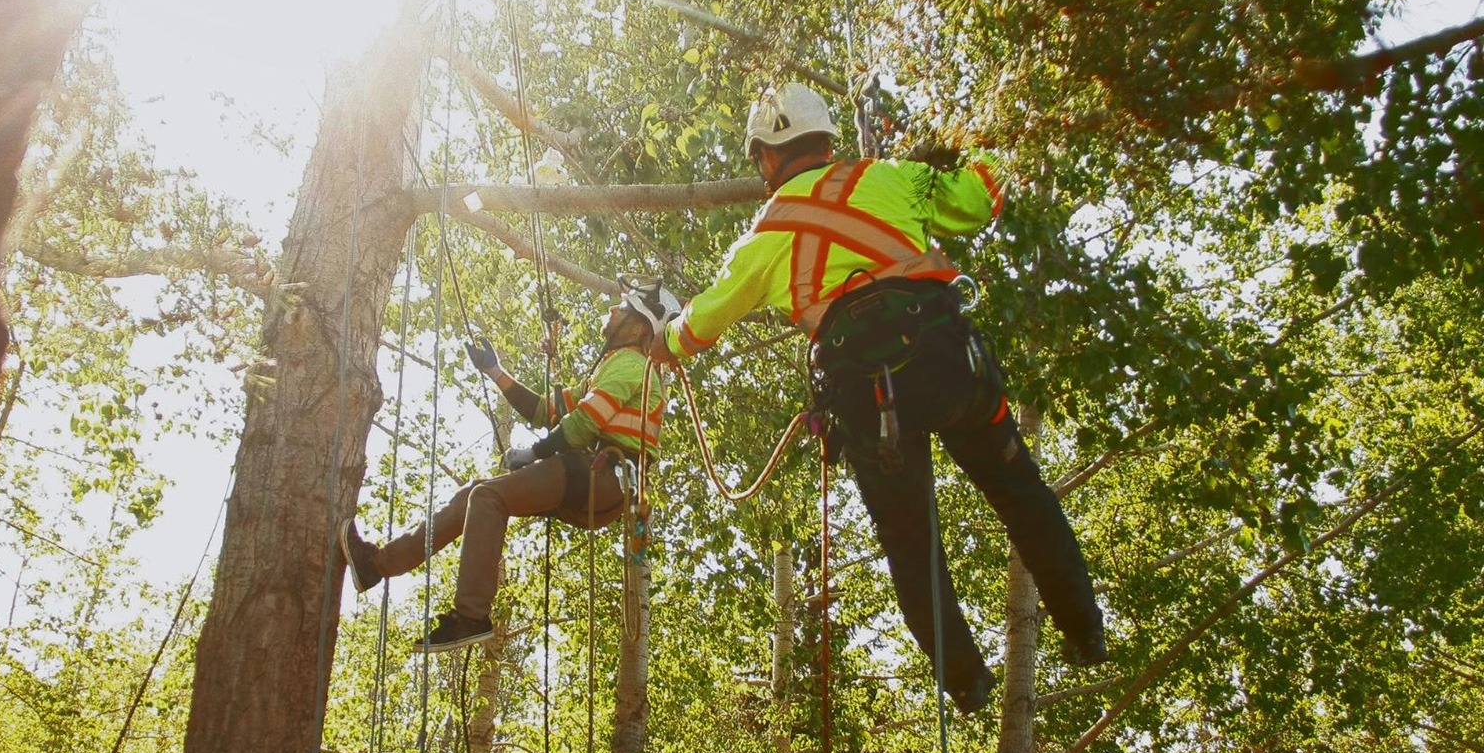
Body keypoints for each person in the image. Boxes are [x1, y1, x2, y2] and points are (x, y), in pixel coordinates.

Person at [650, 82, 1106, 714]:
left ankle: (968, 680)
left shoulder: (768, 231)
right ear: (826, 140)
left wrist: (663, 344)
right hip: (950, 363)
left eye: (759, 159)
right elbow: (978, 200)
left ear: (773, 154)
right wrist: (988, 133)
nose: (759, 173)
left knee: (910, 540)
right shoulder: (894, 178)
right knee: (1020, 491)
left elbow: (701, 324)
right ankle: (1084, 631)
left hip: (870, 396)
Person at [341, 280, 678, 650]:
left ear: (638, 327)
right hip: (593, 478)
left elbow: (583, 424)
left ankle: (470, 617)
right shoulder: (614, 367)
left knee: (487, 497)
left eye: (622, 309)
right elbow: (547, 412)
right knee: (473, 494)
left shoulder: (632, 364)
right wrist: (495, 372)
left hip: (603, 477)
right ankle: (376, 566)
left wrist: (534, 453)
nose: (612, 312)